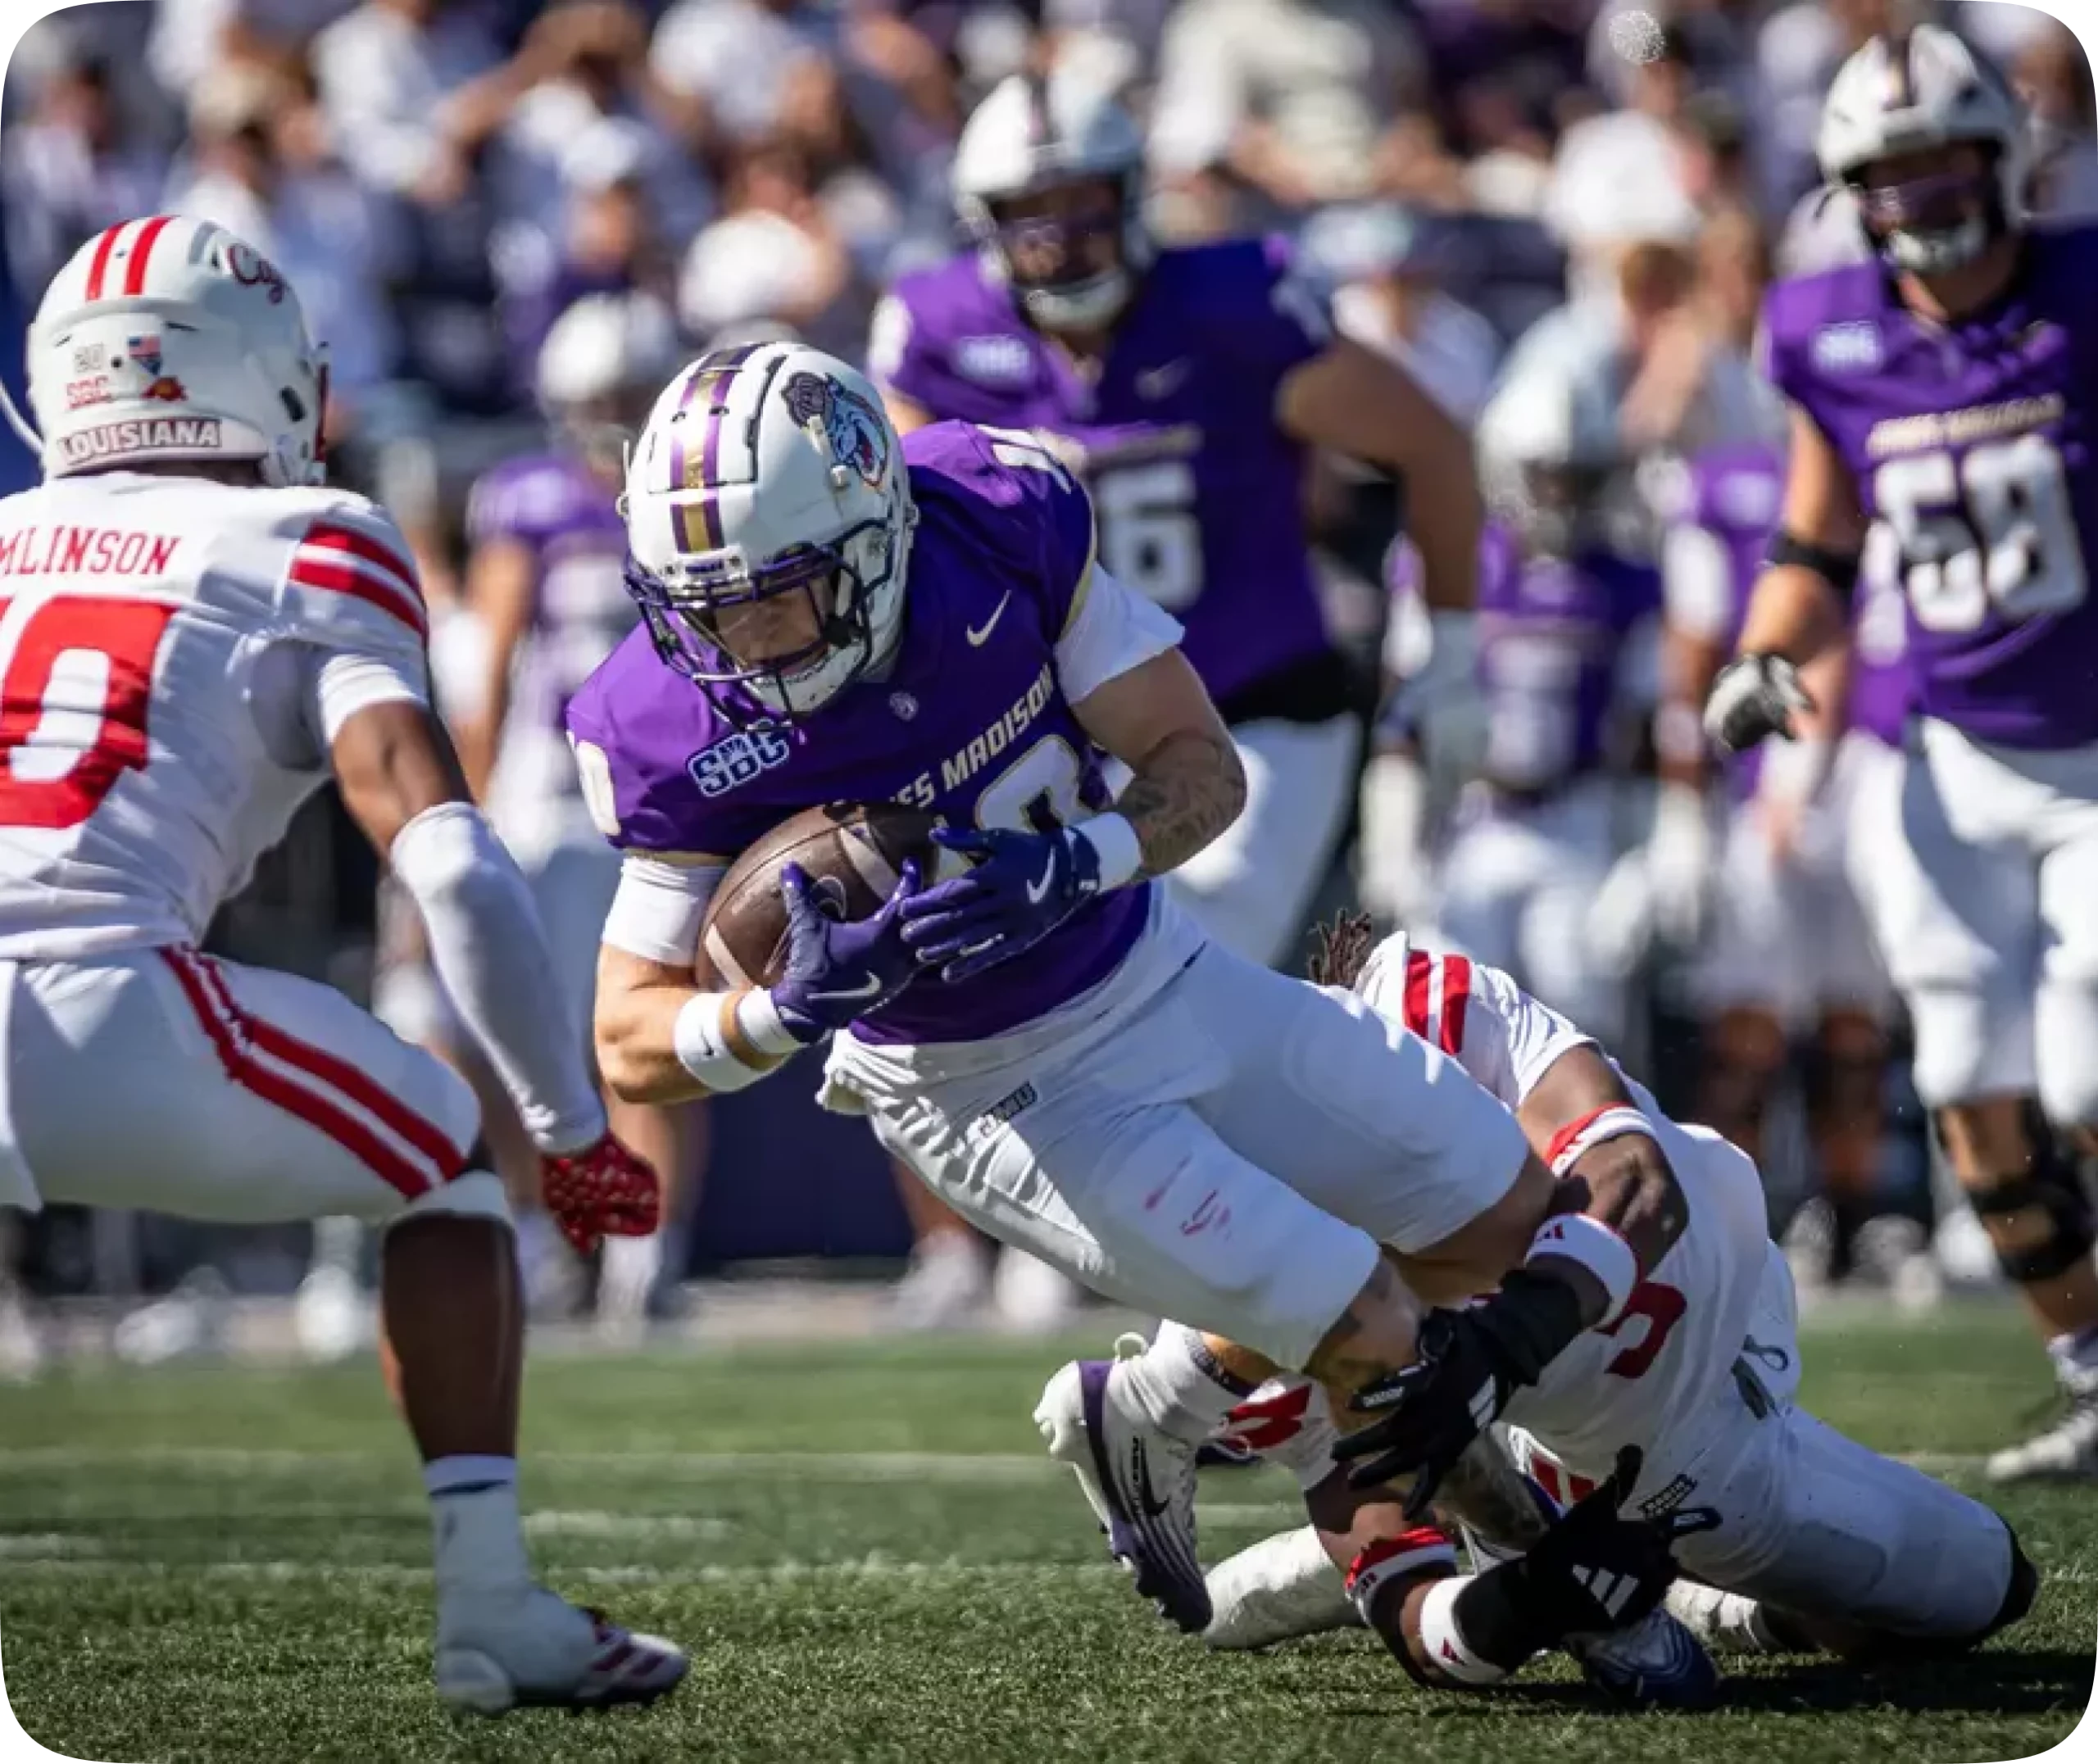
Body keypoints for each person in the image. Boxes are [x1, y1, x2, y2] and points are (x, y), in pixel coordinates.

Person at [570, 338, 1651, 1648]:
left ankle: (1145, 1411)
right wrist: (780, 1014)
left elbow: (1199, 765)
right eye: (699, 605)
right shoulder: (655, 714)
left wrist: (1072, 863)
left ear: (869, 539)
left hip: (1158, 967)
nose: (728, 642)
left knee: (1503, 1224)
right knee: (1369, 1328)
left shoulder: (1001, 515)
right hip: (988, 1088)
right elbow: (628, 1039)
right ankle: (1579, 1591)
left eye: (769, 600)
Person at [0, 214, 683, 1713]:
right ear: (268, 382)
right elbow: (449, 859)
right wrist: (568, 1133)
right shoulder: (310, 538)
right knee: (444, 1150)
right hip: (103, 997)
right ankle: (492, 1603)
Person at [865, 68, 1487, 1324]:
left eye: (1083, 205)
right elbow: (898, 537)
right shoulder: (938, 337)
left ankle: (1238, 1290)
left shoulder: (1232, 306)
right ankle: (1198, 1276)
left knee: (1182, 960)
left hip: (1257, 706)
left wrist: (1454, 645)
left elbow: (1430, 442)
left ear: (1134, 201)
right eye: (1030, 212)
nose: (1060, 239)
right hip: (1068, 725)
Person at [1069, 915, 2035, 1675]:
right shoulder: (1284, 1269)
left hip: (1724, 1286)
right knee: (1983, 1587)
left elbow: (1637, 1183)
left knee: (1986, 1585)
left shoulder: (1423, 1012)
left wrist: (1502, 1343)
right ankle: (1704, 1599)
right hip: (1672, 1465)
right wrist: (1532, 1602)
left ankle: (1173, 1409)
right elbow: (1413, 1608)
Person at [1705, 25, 2098, 1480]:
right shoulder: (1829, 332)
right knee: (1976, 1085)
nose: (1922, 194)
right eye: (1892, 170)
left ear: (2005, 160)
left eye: (1944, 160)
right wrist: (1764, 650)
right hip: (1942, 754)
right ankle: (2089, 1369)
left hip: (2095, 748)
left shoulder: (2084, 290)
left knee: (2087, 1067)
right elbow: (1817, 537)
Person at [448, 290, 702, 1329]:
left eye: (631, 392)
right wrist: (463, 802)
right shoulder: (531, 499)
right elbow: (490, 654)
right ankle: (549, 1230)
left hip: (664, 804)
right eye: (600, 394)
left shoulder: (690, 495)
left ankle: (652, 1248)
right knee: (520, 1034)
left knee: (658, 1031)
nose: (615, 412)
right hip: (548, 797)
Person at [1655, 439, 1916, 1292]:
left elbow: (1838, 624)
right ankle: (1731, 1225)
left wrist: (1797, 772)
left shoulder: (1880, 457)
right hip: (1756, 779)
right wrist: (1685, 801)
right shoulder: (1722, 483)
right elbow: (1693, 644)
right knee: (1746, 1030)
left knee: (1852, 1028)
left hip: (1863, 770)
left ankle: (1850, 1217)